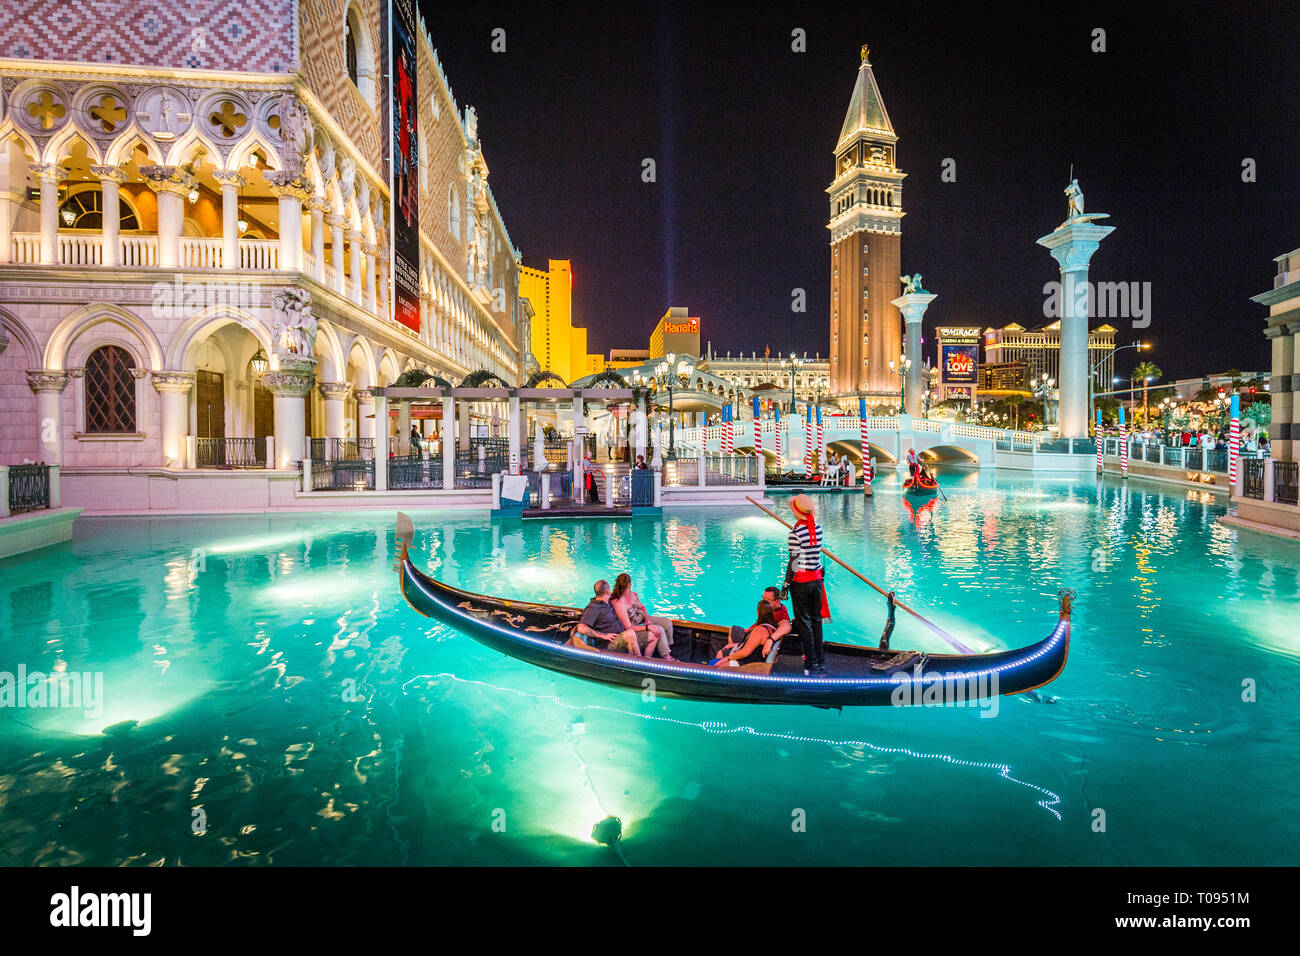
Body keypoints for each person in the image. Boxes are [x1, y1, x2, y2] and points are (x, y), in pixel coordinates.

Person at [785, 494, 831, 675]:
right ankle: (820, 661)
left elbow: (794, 563)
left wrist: (786, 585)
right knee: (816, 621)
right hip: (817, 582)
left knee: (805, 624)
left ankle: (810, 664)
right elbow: (816, 558)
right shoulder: (818, 529)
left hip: (802, 584)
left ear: (796, 512)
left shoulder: (795, 534)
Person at [610, 572, 674, 660]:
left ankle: (667, 650)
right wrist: (648, 627)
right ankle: (665, 657)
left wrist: (648, 619)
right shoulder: (619, 603)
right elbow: (628, 627)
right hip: (635, 626)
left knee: (667, 623)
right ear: (629, 584)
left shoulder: (633, 594)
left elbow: (642, 607)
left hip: (643, 619)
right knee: (658, 629)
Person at [576, 580, 642, 655]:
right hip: (608, 644)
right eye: (610, 590)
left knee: (652, 635)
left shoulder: (608, 602)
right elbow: (581, 627)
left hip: (621, 635)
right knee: (630, 634)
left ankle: (649, 661)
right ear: (607, 591)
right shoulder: (593, 607)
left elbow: (621, 594)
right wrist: (603, 635)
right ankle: (639, 663)